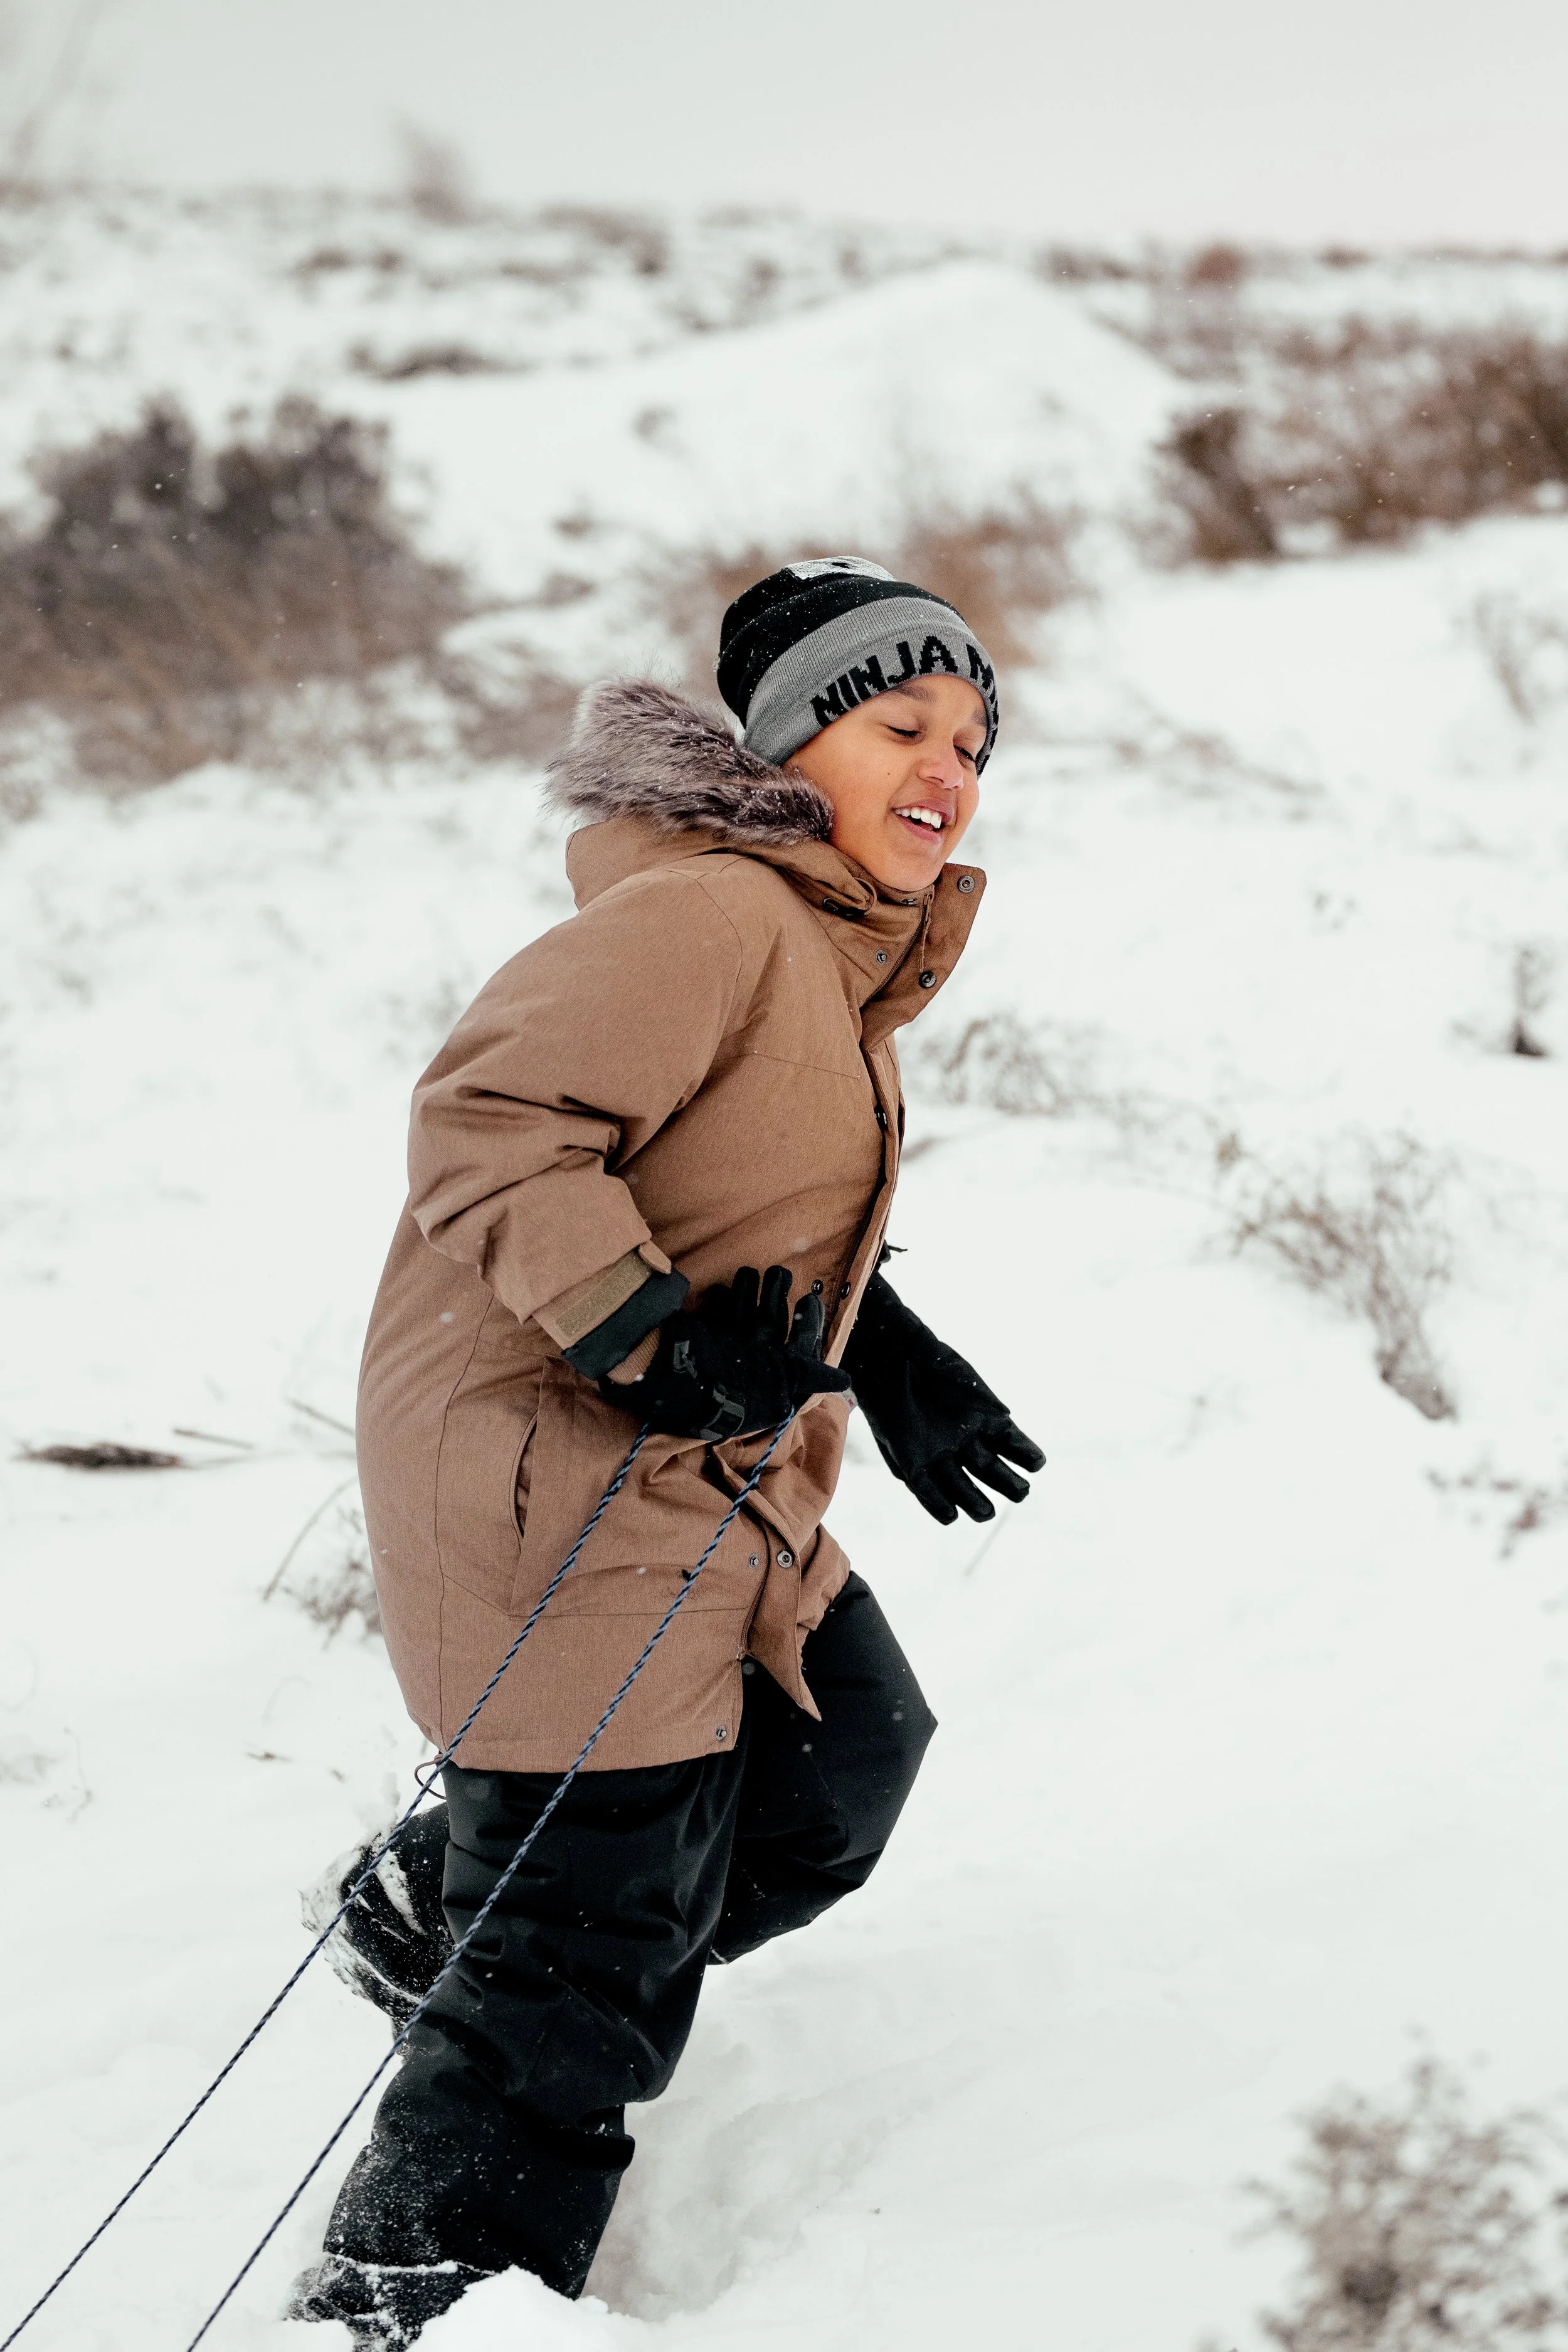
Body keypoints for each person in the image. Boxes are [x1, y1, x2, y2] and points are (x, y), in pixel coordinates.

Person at [287, 557, 1045, 2346]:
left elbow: (728, 1196)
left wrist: (891, 1353)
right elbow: (484, 1126)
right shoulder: (713, 919)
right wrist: (637, 1334)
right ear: (793, 749)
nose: (948, 766)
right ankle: (411, 2302)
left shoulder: (822, 941)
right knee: (576, 1967)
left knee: (846, 1755)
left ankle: (437, 1909)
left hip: (705, 1475)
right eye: (900, 724)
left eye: (972, 737)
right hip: (552, 1472)